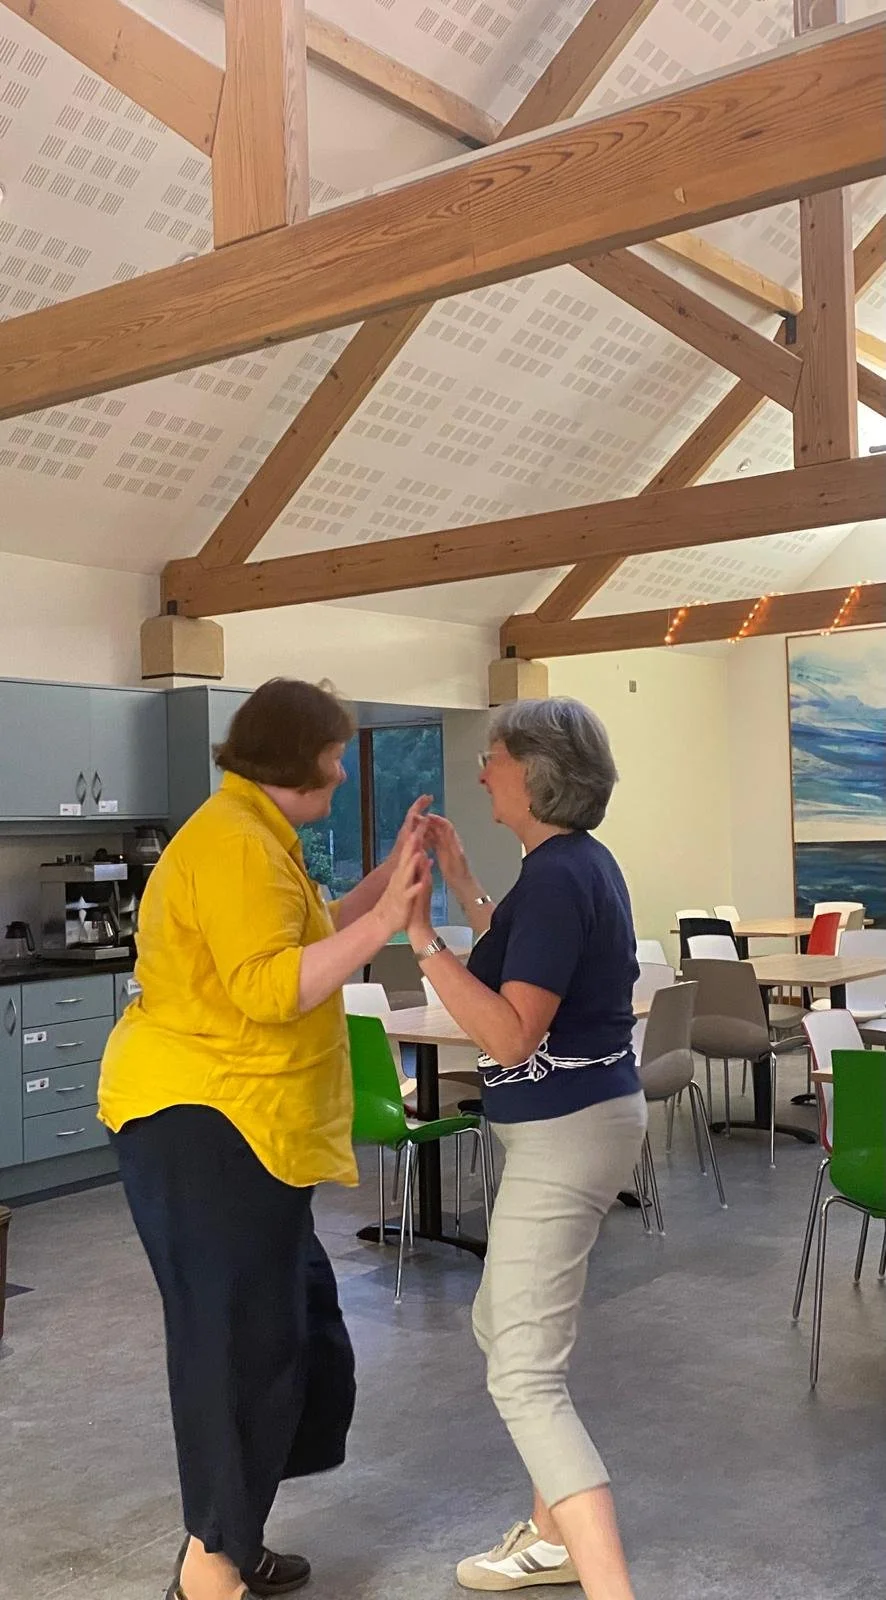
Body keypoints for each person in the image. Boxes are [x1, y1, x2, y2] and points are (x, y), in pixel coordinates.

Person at [98, 678, 429, 1600]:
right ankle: (210, 1571)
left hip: (246, 1123)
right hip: (205, 1121)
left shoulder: (258, 833)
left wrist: (389, 879)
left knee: (288, 1335)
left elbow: (312, 936)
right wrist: (385, 923)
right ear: (298, 760)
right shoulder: (237, 844)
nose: (341, 772)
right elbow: (269, 987)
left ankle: (230, 1540)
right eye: (334, 757)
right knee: (236, 1346)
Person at [417, 698, 647, 1600]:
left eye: (495, 759)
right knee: (503, 1326)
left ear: (537, 772)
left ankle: (604, 1582)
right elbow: (516, 955)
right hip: (576, 1125)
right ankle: (551, 1538)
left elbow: (511, 1036)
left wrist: (419, 940)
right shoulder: (568, 865)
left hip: (566, 1133)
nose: (483, 773)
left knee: (521, 1370)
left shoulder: (557, 877)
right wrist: (462, 881)